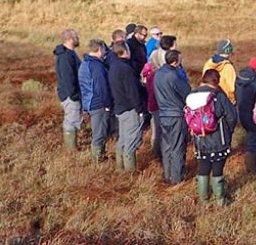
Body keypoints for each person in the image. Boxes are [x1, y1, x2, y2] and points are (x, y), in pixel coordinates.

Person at [189, 69, 237, 205]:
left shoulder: (192, 94)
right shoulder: (219, 96)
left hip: (199, 139)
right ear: (217, 81)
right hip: (218, 138)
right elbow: (232, 117)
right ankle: (219, 199)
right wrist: (229, 132)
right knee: (217, 168)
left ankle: (203, 198)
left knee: (203, 166)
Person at [144, 35, 186, 160]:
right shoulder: (168, 70)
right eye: (175, 44)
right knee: (164, 134)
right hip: (168, 105)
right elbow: (180, 87)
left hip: (159, 103)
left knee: (159, 132)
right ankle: (160, 155)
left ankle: (161, 156)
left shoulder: (155, 59)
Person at [154, 50, 192, 185]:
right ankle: (177, 178)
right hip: (176, 115)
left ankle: (168, 174)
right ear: (175, 61)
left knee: (167, 145)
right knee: (177, 147)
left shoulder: (158, 73)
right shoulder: (174, 76)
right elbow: (187, 93)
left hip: (163, 114)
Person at [108, 41, 145, 172]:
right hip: (129, 109)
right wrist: (140, 109)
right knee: (131, 140)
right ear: (125, 51)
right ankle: (130, 172)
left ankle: (120, 168)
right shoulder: (126, 69)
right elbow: (132, 92)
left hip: (119, 107)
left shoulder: (113, 67)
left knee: (122, 139)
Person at [79, 39, 113, 163]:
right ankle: (98, 161)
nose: (105, 52)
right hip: (98, 104)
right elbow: (101, 87)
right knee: (99, 134)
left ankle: (99, 157)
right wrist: (107, 103)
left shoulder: (85, 63)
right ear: (99, 49)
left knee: (98, 132)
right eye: (104, 49)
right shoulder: (96, 66)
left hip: (89, 102)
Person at [53, 29, 82, 151]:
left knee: (72, 120)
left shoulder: (70, 53)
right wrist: (74, 95)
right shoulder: (65, 57)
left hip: (70, 94)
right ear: (70, 39)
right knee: (71, 121)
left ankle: (72, 147)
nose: (78, 38)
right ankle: (71, 150)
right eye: (76, 37)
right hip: (70, 95)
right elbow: (68, 78)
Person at [236, 57, 256, 173]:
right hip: (252, 115)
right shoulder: (255, 82)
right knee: (254, 140)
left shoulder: (240, 77)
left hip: (241, 113)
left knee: (251, 138)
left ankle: (252, 164)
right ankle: (252, 168)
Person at [202, 39, 238, 105]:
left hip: (209, 99)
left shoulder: (208, 64)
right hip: (226, 101)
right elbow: (232, 88)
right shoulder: (228, 67)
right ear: (228, 50)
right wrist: (233, 100)